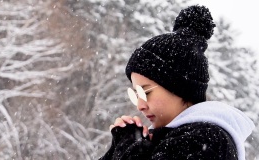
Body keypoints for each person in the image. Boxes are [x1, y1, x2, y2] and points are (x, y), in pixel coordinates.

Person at [99, 5, 255, 160]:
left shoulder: (207, 141)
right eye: (135, 94)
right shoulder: (166, 140)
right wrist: (116, 149)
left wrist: (128, 149)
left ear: (180, 89)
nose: (140, 105)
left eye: (145, 92)